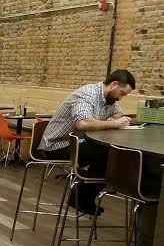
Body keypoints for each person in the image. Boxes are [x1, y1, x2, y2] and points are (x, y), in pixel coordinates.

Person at [37, 70, 136, 212]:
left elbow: (118, 114)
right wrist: (114, 123)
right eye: (122, 93)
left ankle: (84, 194)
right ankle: (82, 197)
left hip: (78, 142)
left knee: (111, 152)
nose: (121, 98)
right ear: (114, 84)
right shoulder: (87, 94)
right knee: (109, 153)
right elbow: (82, 123)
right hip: (55, 145)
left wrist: (120, 119)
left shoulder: (109, 99)